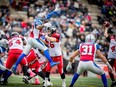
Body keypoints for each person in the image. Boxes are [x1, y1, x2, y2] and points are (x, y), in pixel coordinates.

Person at [11, 8, 61, 73]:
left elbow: (48, 16)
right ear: (41, 18)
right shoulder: (38, 21)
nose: (45, 19)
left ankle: (15, 65)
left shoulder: (39, 20)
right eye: (43, 18)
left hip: (30, 39)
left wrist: (54, 11)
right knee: (45, 49)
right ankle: (51, 62)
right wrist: (44, 25)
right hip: (34, 39)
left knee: (24, 54)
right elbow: (38, 27)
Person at [103, 23, 116, 87]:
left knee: (112, 70)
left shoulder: (112, 39)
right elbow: (105, 34)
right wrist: (106, 28)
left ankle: (114, 81)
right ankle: (113, 81)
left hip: (113, 57)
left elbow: (106, 35)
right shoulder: (112, 39)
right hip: (111, 57)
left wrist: (107, 28)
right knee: (110, 70)